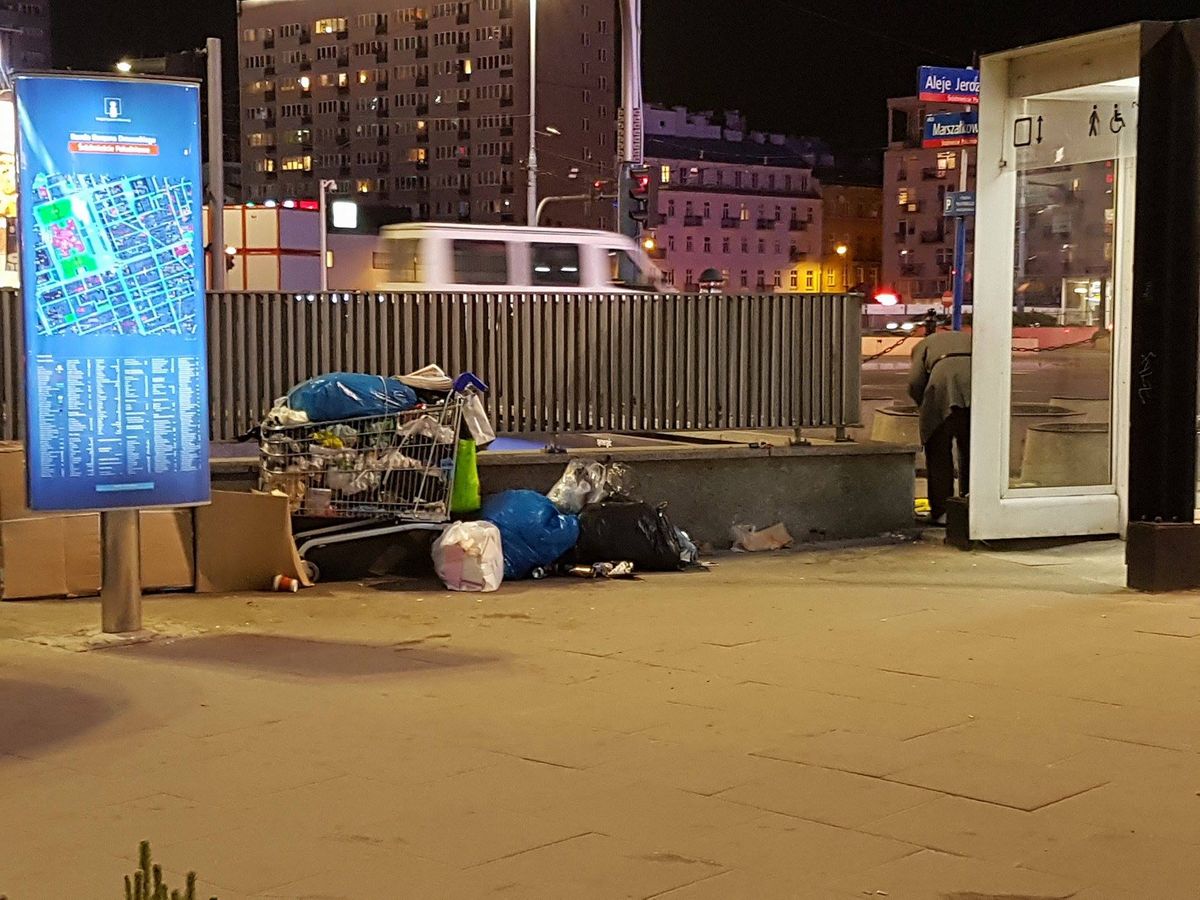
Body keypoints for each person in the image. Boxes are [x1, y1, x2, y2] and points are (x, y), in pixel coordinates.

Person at [907, 328, 972, 525]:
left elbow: (915, 382)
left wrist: (923, 405)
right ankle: (971, 502)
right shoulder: (970, 340)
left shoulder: (922, 345)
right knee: (972, 451)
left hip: (942, 392)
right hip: (977, 390)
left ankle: (942, 511)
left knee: (938, 452)